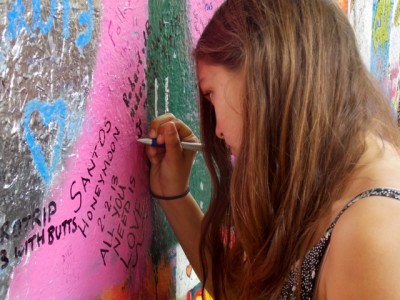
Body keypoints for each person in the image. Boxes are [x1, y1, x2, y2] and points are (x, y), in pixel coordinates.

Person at [144, 0, 400, 299]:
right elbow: (249, 293)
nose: (217, 131)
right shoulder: (344, 175)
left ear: (261, 74)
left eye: (210, 93)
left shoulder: (374, 236)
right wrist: (173, 194)